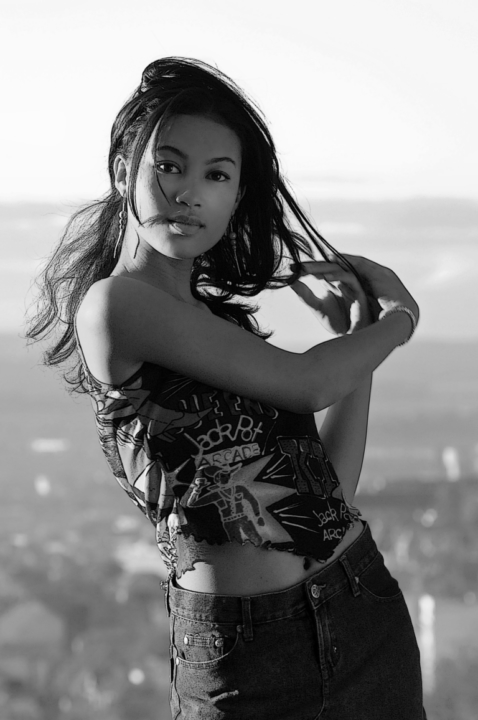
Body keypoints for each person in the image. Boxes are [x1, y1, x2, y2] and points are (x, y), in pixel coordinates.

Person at [26, 57, 427, 719]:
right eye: (170, 165)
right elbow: (308, 384)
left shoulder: (223, 329)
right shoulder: (116, 306)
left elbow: (329, 494)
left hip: (360, 610)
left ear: (236, 197)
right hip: (245, 653)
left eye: (216, 176)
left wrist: (359, 345)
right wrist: (400, 320)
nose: (190, 194)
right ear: (125, 169)